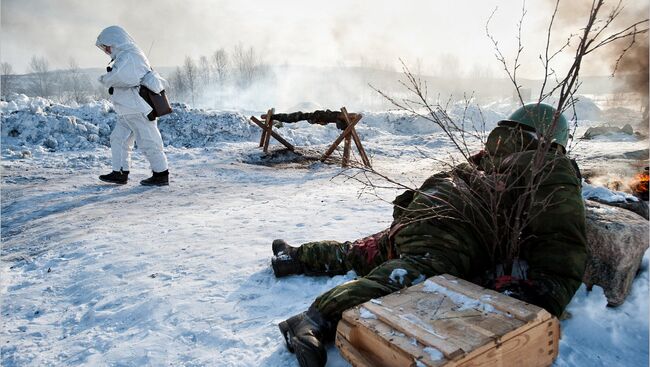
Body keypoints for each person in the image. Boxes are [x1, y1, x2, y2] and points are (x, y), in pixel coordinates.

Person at [272, 103, 587, 367]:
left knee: (364, 251)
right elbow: (561, 245)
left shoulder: (487, 156)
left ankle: (295, 256)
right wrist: (543, 297)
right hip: (454, 229)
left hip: (427, 208)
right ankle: (315, 318)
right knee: (408, 276)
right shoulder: (550, 166)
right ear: (554, 142)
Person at [96, 26, 170, 186]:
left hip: (138, 109)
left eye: (107, 46)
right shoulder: (124, 56)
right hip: (127, 109)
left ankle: (161, 174)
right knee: (118, 139)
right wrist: (110, 78)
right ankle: (120, 172)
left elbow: (122, 77)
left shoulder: (130, 56)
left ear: (115, 42)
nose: (106, 50)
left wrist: (105, 79)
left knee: (149, 141)